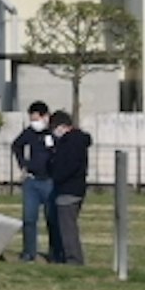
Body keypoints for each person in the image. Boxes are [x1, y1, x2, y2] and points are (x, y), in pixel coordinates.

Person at [43, 110, 94, 265]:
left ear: (63, 126)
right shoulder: (75, 141)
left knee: (68, 228)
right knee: (66, 226)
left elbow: (68, 166)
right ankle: (67, 256)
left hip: (69, 189)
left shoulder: (71, 142)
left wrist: (56, 174)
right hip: (75, 188)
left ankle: (74, 259)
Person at [8, 100, 56, 261]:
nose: (34, 123)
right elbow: (16, 146)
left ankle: (54, 253)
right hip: (32, 181)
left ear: (45, 117)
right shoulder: (29, 133)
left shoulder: (53, 133)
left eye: (36, 119)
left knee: (52, 219)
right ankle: (29, 252)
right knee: (29, 218)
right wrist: (23, 165)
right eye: (32, 119)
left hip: (50, 181)